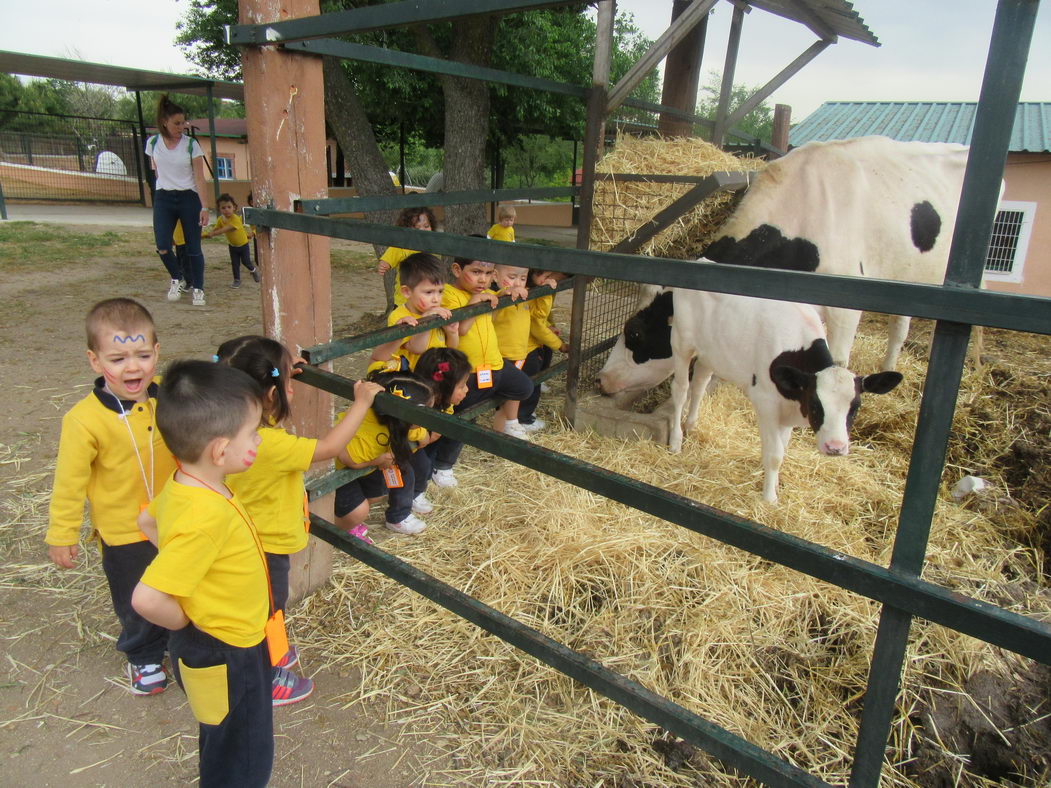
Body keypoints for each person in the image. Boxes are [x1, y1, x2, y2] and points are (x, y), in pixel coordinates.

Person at [216, 335, 383, 704]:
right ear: (272, 396)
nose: (293, 388)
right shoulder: (267, 445)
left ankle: (271, 651)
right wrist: (361, 402)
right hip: (265, 546)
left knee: (264, 605)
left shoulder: (222, 429)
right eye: (289, 383)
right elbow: (329, 448)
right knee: (265, 607)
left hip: (243, 541)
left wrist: (283, 372)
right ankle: (263, 677)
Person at [131, 360, 272, 788]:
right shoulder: (205, 517)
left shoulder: (183, 484)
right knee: (244, 753)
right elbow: (146, 599)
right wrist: (186, 617)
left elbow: (147, 523)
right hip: (227, 647)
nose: (259, 440)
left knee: (222, 735)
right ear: (220, 450)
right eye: (252, 433)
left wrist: (194, 580)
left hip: (223, 641)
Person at [45, 298, 175, 696]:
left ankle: (182, 639)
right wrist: (62, 532)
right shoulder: (83, 420)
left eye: (141, 354)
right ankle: (144, 655)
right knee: (136, 596)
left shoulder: (170, 402)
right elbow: (69, 481)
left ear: (157, 352)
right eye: (117, 358)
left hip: (177, 519)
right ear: (94, 361)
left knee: (181, 582)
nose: (132, 367)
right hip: (123, 532)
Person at [429, 253, 535, 488]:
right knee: (465, 418)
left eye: (488, 274)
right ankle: (443, 466)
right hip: (469, 371)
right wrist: (478, 299)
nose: (482, 279)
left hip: (495, 364)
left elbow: (494, 317)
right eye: (476, 272)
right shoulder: (448, 294)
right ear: (457, 270)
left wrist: (506, 295)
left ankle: (505, 420)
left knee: (524, 387)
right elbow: (462, 329)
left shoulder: (487, 294)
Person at [333, 371, 435, 536]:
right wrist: (378, 460)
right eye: (426, 413)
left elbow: (418, 435)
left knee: (377, 494)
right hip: (337, 470)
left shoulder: (396, 422)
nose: (428, 418)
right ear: (407, 417)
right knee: (358, 511)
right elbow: (349, 460)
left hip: (366, 463)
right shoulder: (369, 437)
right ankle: (338, 528)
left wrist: (422, 435)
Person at [147, 95, 209, 307]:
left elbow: (200, 177)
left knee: (193, 247)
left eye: (183, 122)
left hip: (188, 197)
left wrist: (204, 206)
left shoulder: (191, 145)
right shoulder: (153, 143)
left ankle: (198, 288)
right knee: (163, 245)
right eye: (177, 123)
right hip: (164, 196)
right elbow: (156, 171)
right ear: (164, 122)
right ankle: (177, 277)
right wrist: (160, 193)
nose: (181, 127)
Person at [369, 253, 457, 373]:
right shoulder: (400, 316)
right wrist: (426, 321)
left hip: (438, 375)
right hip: (415, 379)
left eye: (440, 291)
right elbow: (417, 348)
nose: (436, 299)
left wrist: (452, 333)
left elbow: (451, 348)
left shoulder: (438, 311)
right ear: (407, 292)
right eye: (429, 292)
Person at [519, 269, 569, 432]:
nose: (556, 283)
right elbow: (537, 323)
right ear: (544, 275)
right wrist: (559, 344)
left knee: (533, 376)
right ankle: (524, 418)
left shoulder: (532, 288)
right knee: (532, 380)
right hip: (525, 345)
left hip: (528, 342)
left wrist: (549, 327)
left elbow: (539, 319)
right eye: (554, 278)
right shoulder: (534, 292)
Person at [489, 263, 533, 437]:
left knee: (508, 397)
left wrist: (548, 286)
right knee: (512, 392)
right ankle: (512, 422)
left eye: (522, 279)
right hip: (502, 355)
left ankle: (500, 434)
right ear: (495, 276)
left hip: (519, 353)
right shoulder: (495, 297)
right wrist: (502, 294)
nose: (517, 284)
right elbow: (492, 301)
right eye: (512, 277)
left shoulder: (524, 297)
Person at [414, 347, 472, 478]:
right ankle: (415, 494)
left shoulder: (442, 401)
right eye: (462, 386)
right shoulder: (417, 406)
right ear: (442, 388)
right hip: (407, 449)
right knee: (422, 469)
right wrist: (424, 435)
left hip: (427, 441)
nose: (467, 389)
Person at [375, 207, 438, 307]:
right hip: (404, 300)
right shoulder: (402, 246)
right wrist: (384, 264)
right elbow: (389, 257)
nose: (422, 231)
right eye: (417, 228)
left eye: (426, 226)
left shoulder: (433, 246)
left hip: (427, 299)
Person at [203, 193, 260, 289]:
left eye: (229, 207)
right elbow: (217, 228)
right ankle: (237, 280)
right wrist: (210, 233)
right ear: (219, 209)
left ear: (234, 207)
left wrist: (213, 234)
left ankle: (253, 270)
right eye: (223, 208)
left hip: (243, 244)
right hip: (232, 246)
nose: (226, 210)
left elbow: (225, 229)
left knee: (246, 262)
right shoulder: (221, 219)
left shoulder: (236, 219)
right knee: (235, 263)